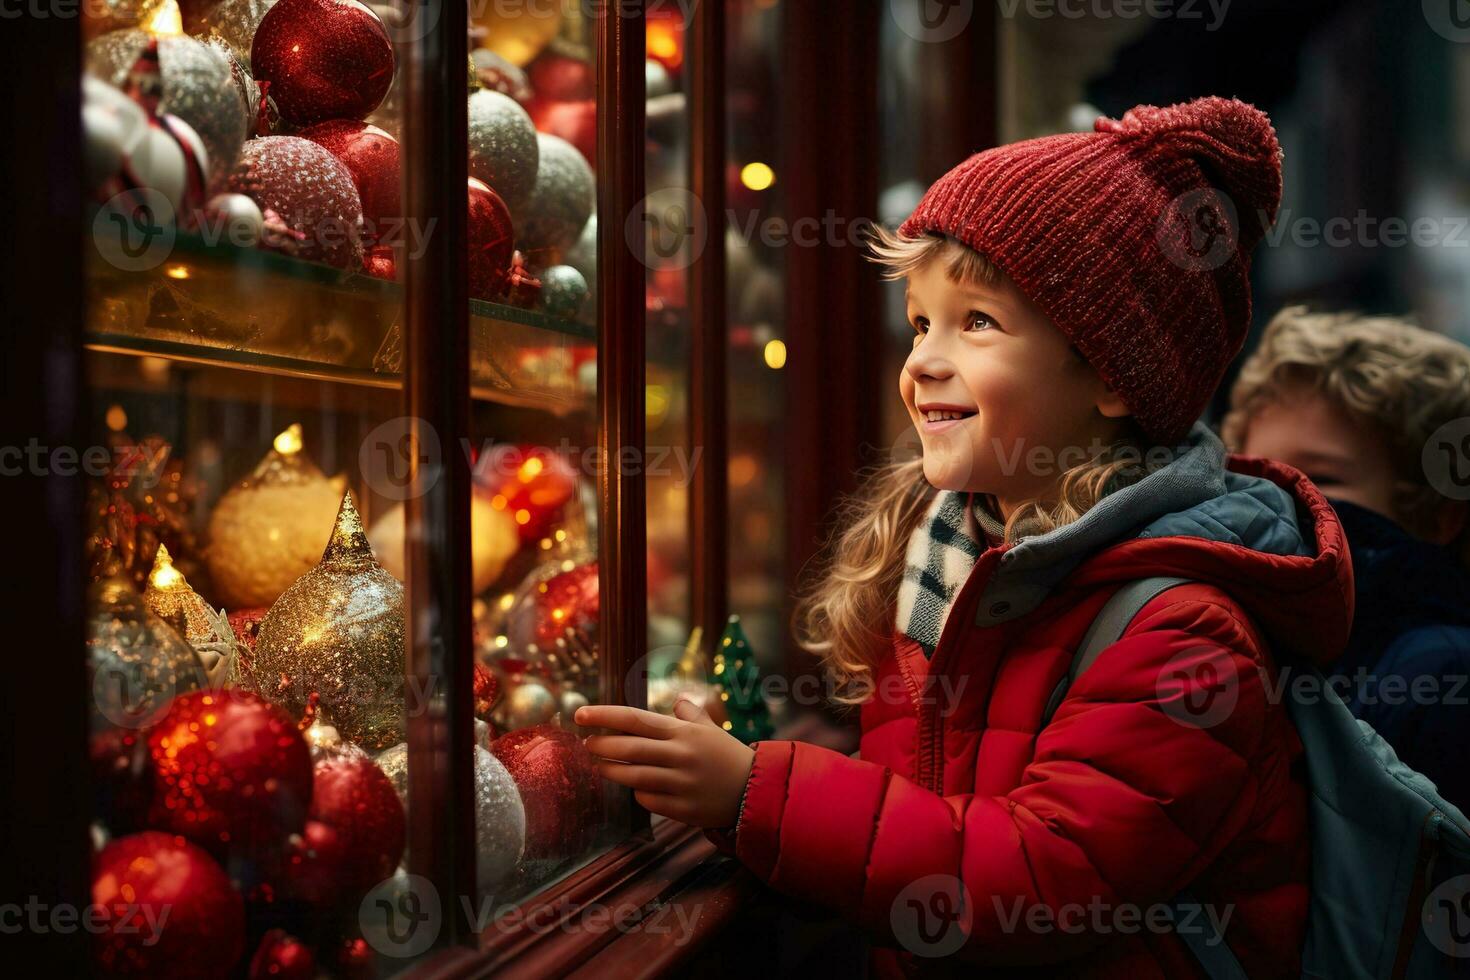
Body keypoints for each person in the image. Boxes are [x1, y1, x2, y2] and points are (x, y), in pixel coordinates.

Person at [576, 97, 1353, 978]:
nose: (922, 362)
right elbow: (913, 829)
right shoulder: (946, 569)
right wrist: (735, 797)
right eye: (918, 323)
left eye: (976, 322)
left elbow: (1037, 881)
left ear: (1110, 375)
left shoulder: (1183, 631)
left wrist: (759, 792)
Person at [1223, 307, 1470, 810]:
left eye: (1323, 480)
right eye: (1259, 477)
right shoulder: (1227, 631)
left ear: (1438, 515)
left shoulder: (1444, 677)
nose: (1281, 502)